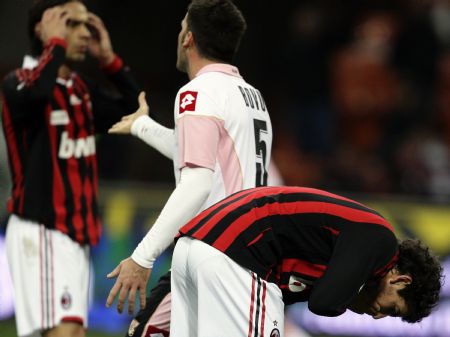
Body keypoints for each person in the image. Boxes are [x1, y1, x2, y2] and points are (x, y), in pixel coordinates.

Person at [105, 1, 272, 336]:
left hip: (216, 253)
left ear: (189, 39)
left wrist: (142, 257)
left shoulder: (198, 92)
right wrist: (142, 126)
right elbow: (198, 155)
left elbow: (197, 181)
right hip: (244, 251)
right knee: (145, 329)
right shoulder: (252, 97)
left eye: (182, 27)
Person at [1, 0, 140, 336]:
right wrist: (55, 46)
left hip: (77, 238)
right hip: (43, 230)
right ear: (43, 28)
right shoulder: (18, 82)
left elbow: (135, 110)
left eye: (85, 25)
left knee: (73, 333)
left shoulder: (80, 90)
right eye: (71, 23)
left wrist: (109, 61)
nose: (82, 33)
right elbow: (36, 98)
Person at [170, 185, 443, 337]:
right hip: (235, 253)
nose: (379, 315)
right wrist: (354, 298)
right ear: (400, 279)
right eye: (392, 309)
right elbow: (324, 303)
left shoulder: (337, 256)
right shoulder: (380, 241)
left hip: (194, 246)